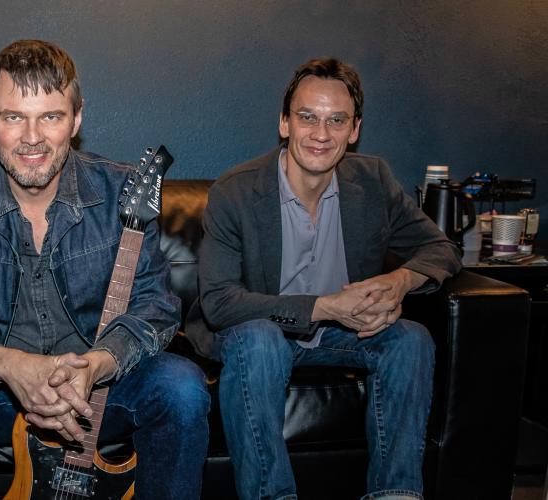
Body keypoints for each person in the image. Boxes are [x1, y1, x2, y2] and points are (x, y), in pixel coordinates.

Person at [0, 39, 210, 499]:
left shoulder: (121, 193)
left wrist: (97, 364)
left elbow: (154, 308)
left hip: (98, 388)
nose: (32, 138)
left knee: (181, 386)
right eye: (13, 117)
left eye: (51, 117)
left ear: (76, 120)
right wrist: (12, 366)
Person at [185, 58, 461, 500]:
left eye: (337, 121)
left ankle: (396, 494)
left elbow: (442, 248)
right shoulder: (236, 190)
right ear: (284, 123)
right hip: (260, 335)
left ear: (354, 130)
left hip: (339, 334)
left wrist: (400, 281)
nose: (320, 134)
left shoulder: (373, 181)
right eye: (307, 117)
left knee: (410, 339)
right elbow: (219, 302)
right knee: (259, 339)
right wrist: (324, 306)